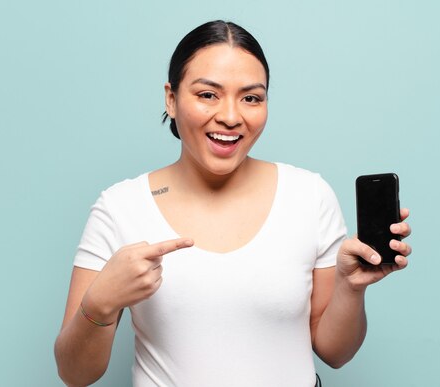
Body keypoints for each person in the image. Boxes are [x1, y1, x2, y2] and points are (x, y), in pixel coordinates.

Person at [54, 20, 412, 387]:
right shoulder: (120, 208)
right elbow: (74, 373)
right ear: (171, 98)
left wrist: (351, 288)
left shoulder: (309, 196)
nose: (230, 116)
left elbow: (336, 352)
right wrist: (98, 304)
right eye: (208, 94)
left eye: (251, 97)